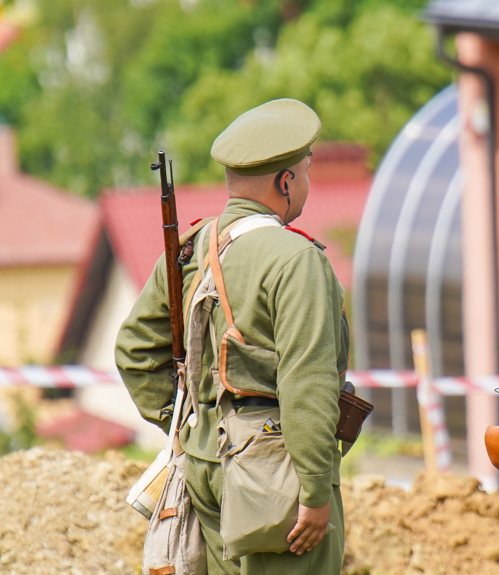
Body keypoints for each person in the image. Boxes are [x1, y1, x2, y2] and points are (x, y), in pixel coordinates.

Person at [116, 98, 349, 574]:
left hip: (204, 462)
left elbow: (135, 352)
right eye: (303, 171)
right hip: (275, 471)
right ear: (285, 182)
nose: (305, 183)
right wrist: (315, 488)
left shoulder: (191, 248)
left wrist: (192, 424)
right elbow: (307, 384)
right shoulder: (295, 260)